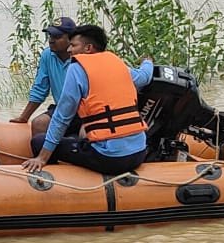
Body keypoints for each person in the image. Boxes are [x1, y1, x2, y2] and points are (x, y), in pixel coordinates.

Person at [21, 24, 154, 177]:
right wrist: (148, 62)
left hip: (110, 159)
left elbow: (62, 117)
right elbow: (144, 77)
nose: (69, 50)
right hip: (139, 153)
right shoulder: (117, 63)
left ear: (88, 48)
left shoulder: (76, 68)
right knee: (81, 136)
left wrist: (42, 158)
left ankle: (59, 182)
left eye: (73, 45)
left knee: (38, 142)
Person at [10, 17, 79, 136]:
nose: (51, 40)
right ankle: (45, 154)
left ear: (71, 39)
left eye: (57, 37)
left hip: (83, 111)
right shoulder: (47, 55)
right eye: (50, 36)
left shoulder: (81, 57)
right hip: (61, 109)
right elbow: (40, 89)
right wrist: (24, 117)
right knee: (39, 123)